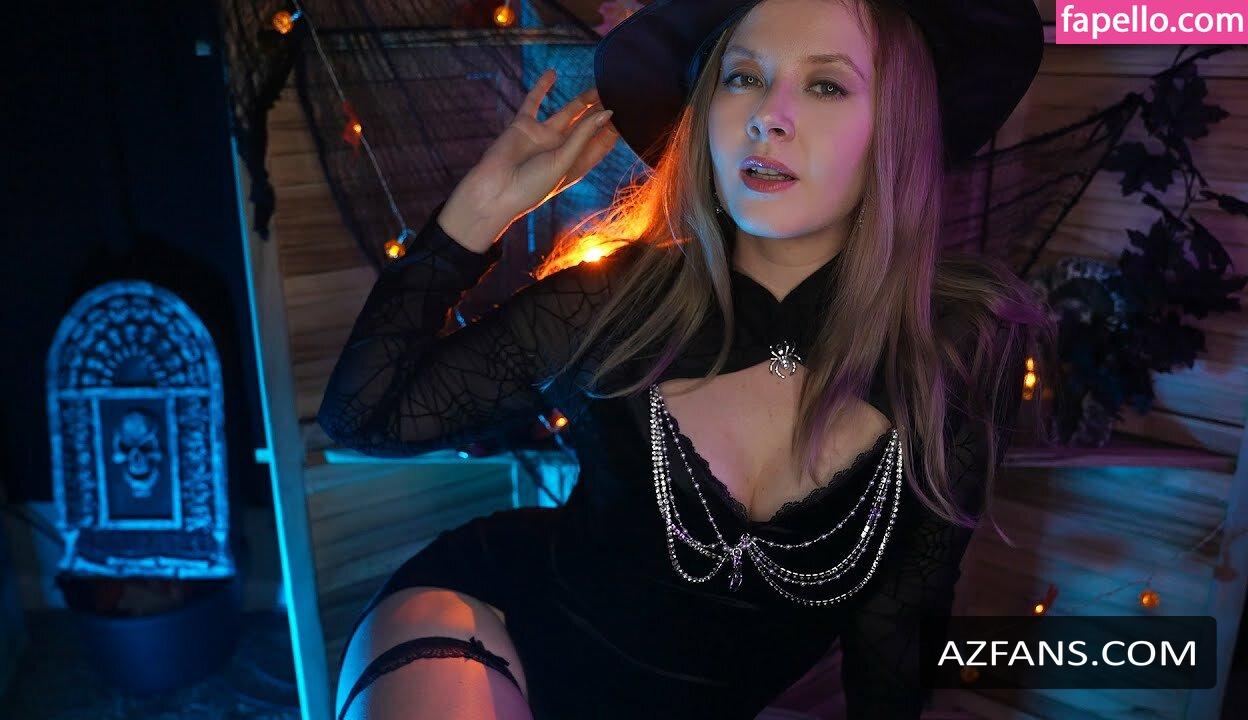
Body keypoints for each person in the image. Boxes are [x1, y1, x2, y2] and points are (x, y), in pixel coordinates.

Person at [318, 0, 1055, 718]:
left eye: (826, 85)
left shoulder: (960, 345)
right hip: (488, 623)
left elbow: (897, 620)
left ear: (899, 128)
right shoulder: (616, 300)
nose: (768, 116)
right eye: (743, 77)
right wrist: (479, 213)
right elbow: (365, 418)